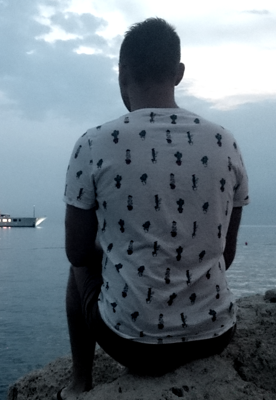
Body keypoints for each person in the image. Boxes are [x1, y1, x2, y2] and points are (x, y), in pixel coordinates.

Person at [60, 18, 249, 399]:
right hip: (215, 334)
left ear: (122, 73)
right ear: (178, 73)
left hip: (132, 344)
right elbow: (225, 254)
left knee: (78, 268)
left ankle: (80, 384)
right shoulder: (224, 142)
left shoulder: (94, 143)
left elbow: (77, 253)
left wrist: (114, 254)